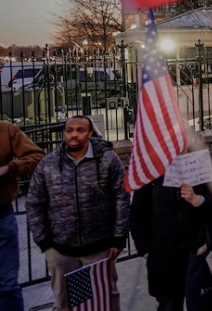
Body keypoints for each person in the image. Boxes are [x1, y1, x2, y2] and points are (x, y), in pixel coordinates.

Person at [27, 116, 130, 311]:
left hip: (100, 248)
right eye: (69, 130)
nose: (74, 134)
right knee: (64, 302)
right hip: (61, 250)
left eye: (80, 130)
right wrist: (45, 243)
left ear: (90, 133)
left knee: (105, 300)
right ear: (64, 133)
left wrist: (118, 237)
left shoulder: (108, 160)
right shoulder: (48, 164)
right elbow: (34, 204)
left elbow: (122, 198)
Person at [130, 178, 212, 311]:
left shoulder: (199, 167)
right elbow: (137, 215)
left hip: (198, 253)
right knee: (169, 305)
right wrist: (145, 250)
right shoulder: (151, 173)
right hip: (163, 258)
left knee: (202, 304)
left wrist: (198, 200)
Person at [0, 121, 44, 311]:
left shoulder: (5, 130)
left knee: (7, 284)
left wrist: (10, 168)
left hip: (1, 217)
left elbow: (37, 156)